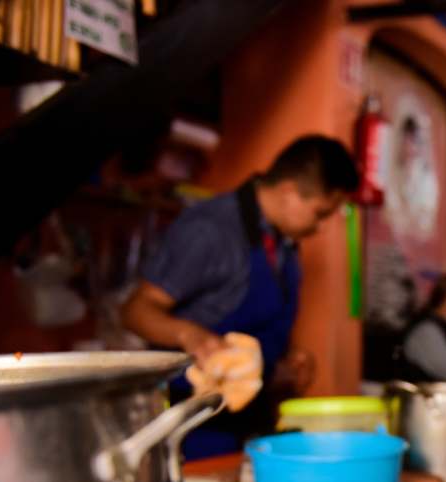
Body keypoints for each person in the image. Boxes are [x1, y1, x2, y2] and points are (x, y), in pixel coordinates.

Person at [121, 134, 360, 458]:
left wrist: (287, 365)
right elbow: (135, 311)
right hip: (195, 432)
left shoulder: (284, 244)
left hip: (254, 425)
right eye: (319, 214)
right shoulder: (209, 230)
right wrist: (189, 334)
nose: (319, 227)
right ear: (289, 191)